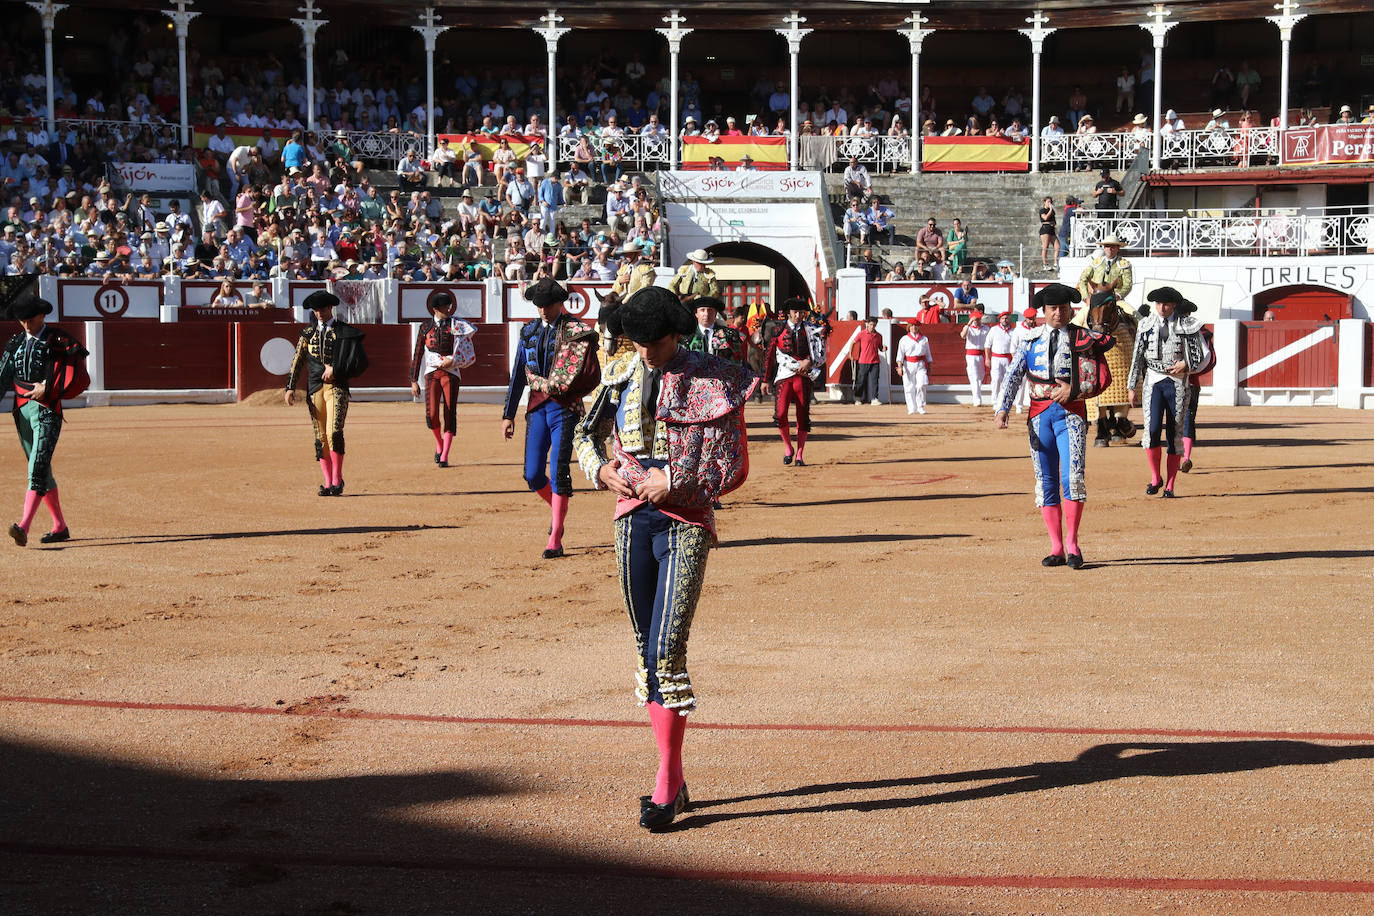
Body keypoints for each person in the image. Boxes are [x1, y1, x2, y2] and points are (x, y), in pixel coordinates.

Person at [571, 286, 756, 831]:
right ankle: (671, 776)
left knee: (668, 647)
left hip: (687, 520)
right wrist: (598, 469)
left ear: (677, 334)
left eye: (655, 342)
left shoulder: (715, 376)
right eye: (640, 341)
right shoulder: (622, 373)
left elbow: (735, 465)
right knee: (646, 649)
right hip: (631, 517)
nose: (647, 351)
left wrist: (673, 478)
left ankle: (667, 781)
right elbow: (587, 434)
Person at [995, 283, 1115, 569]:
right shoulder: (1030, 340)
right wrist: (1003, 408)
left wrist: (1074, 389)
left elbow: (1102, 377)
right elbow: (1014, 375)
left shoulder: (1084, 339)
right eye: (1052, 308)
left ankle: (1073, 545)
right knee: (1045, 481)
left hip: (1071, 413)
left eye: (1063, 308)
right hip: (1039, 416)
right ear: (1044, 311)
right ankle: (1056, 547)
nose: (1058, 313)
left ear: (1070, 310)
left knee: (1072, 478)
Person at [501, 277, 599, 559]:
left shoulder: (575, 330)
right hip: (536, 407)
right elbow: (519, 373)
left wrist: (572, 390)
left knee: (558, 472)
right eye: (539, 305)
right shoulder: (529, 332)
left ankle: (555, 535)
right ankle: (558, 509)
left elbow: (590, 373)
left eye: (549, 305)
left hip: (565, 408)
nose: (543, 310)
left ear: (560, 303)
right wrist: (508, 414)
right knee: (532, 474)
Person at [1, 295, 88, 546]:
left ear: (42, 316)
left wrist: (48, 386)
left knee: (37, 468)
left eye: (30, 319)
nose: (26, 324)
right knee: (42, 468)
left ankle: (23, 526)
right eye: (22, 320)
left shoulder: (58, 341)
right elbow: (2, 376)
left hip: (47, 409)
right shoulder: (15, 343)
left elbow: (78, 377)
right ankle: (59, 526)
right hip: (22, 412)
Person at [284, 291, 369, 497]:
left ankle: (337, 480)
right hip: (314, 388)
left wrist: (336, 368)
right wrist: (290, 387)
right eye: (315, 311)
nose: (319, 314)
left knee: (334, 433)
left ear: (330, 309)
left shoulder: (344, 332)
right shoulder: (307, 333)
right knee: (320, 436)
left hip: (337, 387)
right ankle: (328, 481)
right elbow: (298, 360)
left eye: (322, 309)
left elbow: (359, 362)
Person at [1127, 286, 1209, 498]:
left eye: (1166, 304)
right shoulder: (1146, 324)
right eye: (1159, 304)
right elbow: (1137, 356)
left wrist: (1187, 365)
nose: (1162, 308)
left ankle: (1170, 485)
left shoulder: (1187, 325)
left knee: (1174, 435)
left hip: (1178, 383)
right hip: (1153, 382)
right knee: (1152, 431)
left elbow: (1202, 355)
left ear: (1174, 305)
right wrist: (1131, 386)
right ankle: (1156, 478)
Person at [409, 292, 476, 468]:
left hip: (451, 372)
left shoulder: (457, 325)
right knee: (431, 414)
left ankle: (445, 454)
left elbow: (465, 347)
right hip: (431, 372)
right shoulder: (425, 327)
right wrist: (413, 380)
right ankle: (439, 445)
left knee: (449, 411)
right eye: (445, 307)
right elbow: (418, 353)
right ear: (435, 309)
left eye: (449, 306)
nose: (449, 309)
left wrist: (453, 359)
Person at [763, 298, 824, 465]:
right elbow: (769, 356)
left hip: (803, 377)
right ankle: (788, 447)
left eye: (801, 313)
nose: (798, 315)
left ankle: (800, 454)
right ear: (789, 313)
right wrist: (765, 379)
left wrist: (809, 361)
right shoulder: (778, 330)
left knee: (802, 415)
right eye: (795, 312)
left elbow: (820, 352)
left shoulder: (811, 330)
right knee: (780, 414)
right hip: (784, 376)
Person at [683, 296, 744, 363]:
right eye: (702, 310)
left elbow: (737, 361)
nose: (706, 314)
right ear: (696, 313)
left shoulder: (730, 334)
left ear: (715, 313)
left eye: (710, 310)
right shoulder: (687, 336)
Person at [895, 317, 933, 415]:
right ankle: (911, 407)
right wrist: (899, 366)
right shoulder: (904, 339)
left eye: (915, 326)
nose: (913, 328)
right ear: (908, 327)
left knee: (921, 384)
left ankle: (920, 406)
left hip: (921, 364)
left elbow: (928, 354)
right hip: (908, 364)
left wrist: (930, 366)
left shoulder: (924, 339)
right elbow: (900, 355)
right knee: (909, 386)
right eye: (911, 326)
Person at [985, 310, 1016, 407]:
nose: (1005, 320)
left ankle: (1005, 400)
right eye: (1003, 318)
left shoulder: (1013, 331)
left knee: (1007, 380)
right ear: (1000, 320)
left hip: (1008, 358)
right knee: (996, 379)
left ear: (1009, 319)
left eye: (1006, 318)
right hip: (996, 358)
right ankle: (995, 401)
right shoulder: (994, 330)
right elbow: (987, 345)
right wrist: (987, 358)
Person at [959, 306, 989, 407]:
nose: (976, 321)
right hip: (971, 355)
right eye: (974, 319)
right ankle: (977, 399)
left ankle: (977, 396)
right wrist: (969, 323)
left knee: (980, 376)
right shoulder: (968, 328)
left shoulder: (986, 328)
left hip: (981, 355)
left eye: (977, 319)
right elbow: (963, 335)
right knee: (975, 377)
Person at [852, 316, 885, 405]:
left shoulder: (879, 336)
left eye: (874, 325)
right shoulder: (862, 334)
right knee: (861, 380)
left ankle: (874, 398)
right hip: (863, 361)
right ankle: (858, 398)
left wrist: (884, 348)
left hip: (875, 361)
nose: (872, 327)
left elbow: (880, 348)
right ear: (868, 324)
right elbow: (853, 343)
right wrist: (851, 354)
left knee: (875, 380)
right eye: (870, 324)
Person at [1039, 197, 1058, 271]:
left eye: (1050, 202)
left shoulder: (1052, 211)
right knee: (1045, 246)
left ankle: (1056, 263)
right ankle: (1045, 264)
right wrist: (1050, 210)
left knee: (1057, 246)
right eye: (1048, 202)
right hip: (1045, 229)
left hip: (1051, 229)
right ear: (1044, 202)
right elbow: (1045, 218)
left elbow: (1054, 220)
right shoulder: (1042, 210)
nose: (1049, 203)